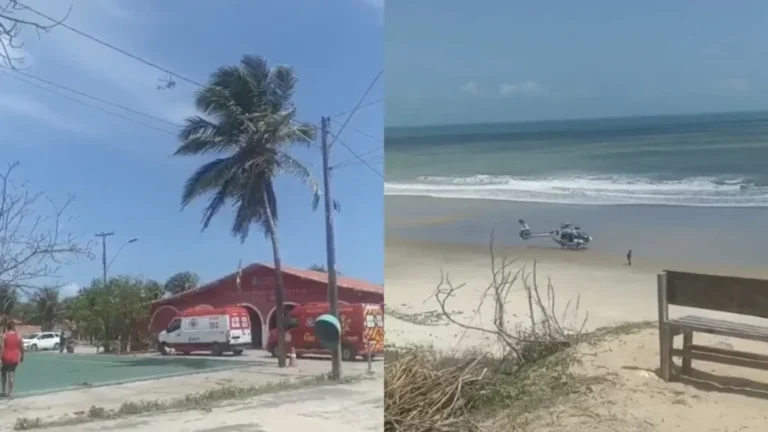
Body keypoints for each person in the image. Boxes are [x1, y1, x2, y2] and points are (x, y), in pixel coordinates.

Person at [1, 321, 24, 398]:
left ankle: (4, 390)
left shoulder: (4, 336)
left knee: (4, 374)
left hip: (5, 357)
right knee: (11, 375)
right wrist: (22, 356)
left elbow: (2, 348)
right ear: (14, 327)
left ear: (7, 327)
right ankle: (10, 393)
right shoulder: (18, 336)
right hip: (14, 358)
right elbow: (22, 348)